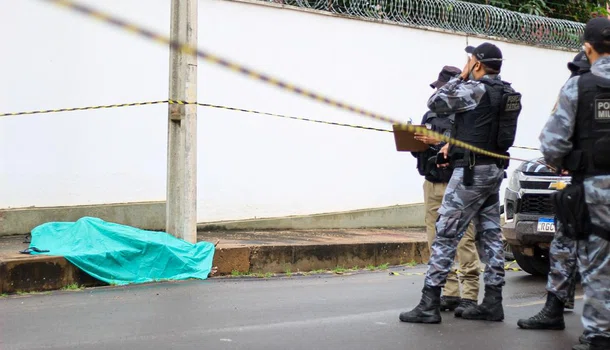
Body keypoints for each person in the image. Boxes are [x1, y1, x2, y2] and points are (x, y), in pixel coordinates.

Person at [399, 42, 518, 324]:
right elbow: (487, 129)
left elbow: (436, 101)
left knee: (445, 233)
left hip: (470, 174)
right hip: (493, 172)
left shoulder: (475, 89)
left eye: (470, 61)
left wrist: (461, 75)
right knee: (490, 236)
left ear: (477, 64)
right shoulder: (509, 93)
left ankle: (429, 303)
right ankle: (492, 301)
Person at [537, 17, 610, 350]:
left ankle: (599, 335)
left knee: (597, 265)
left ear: (588, 47)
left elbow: (552, 145)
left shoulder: (578, 86)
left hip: (595, 193)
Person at [516, 51, 591, 342]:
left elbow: (552, 140)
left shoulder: (576, 88)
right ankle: (556, 307)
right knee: (565, 244)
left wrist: (558, 158)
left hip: (586, 183)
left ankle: (568, 315)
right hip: (582, 183)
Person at [411, 66, 481, 316]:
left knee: (464, 239)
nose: (437, 92)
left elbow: (469, 149)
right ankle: (450, 293)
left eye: (441, 87)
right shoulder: (429, 115)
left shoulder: (468, 115)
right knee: (435, 239)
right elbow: (418, 149)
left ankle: (470, 295)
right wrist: (414, 141)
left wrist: (439, 143)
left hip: (458, 183)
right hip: (431, 182)